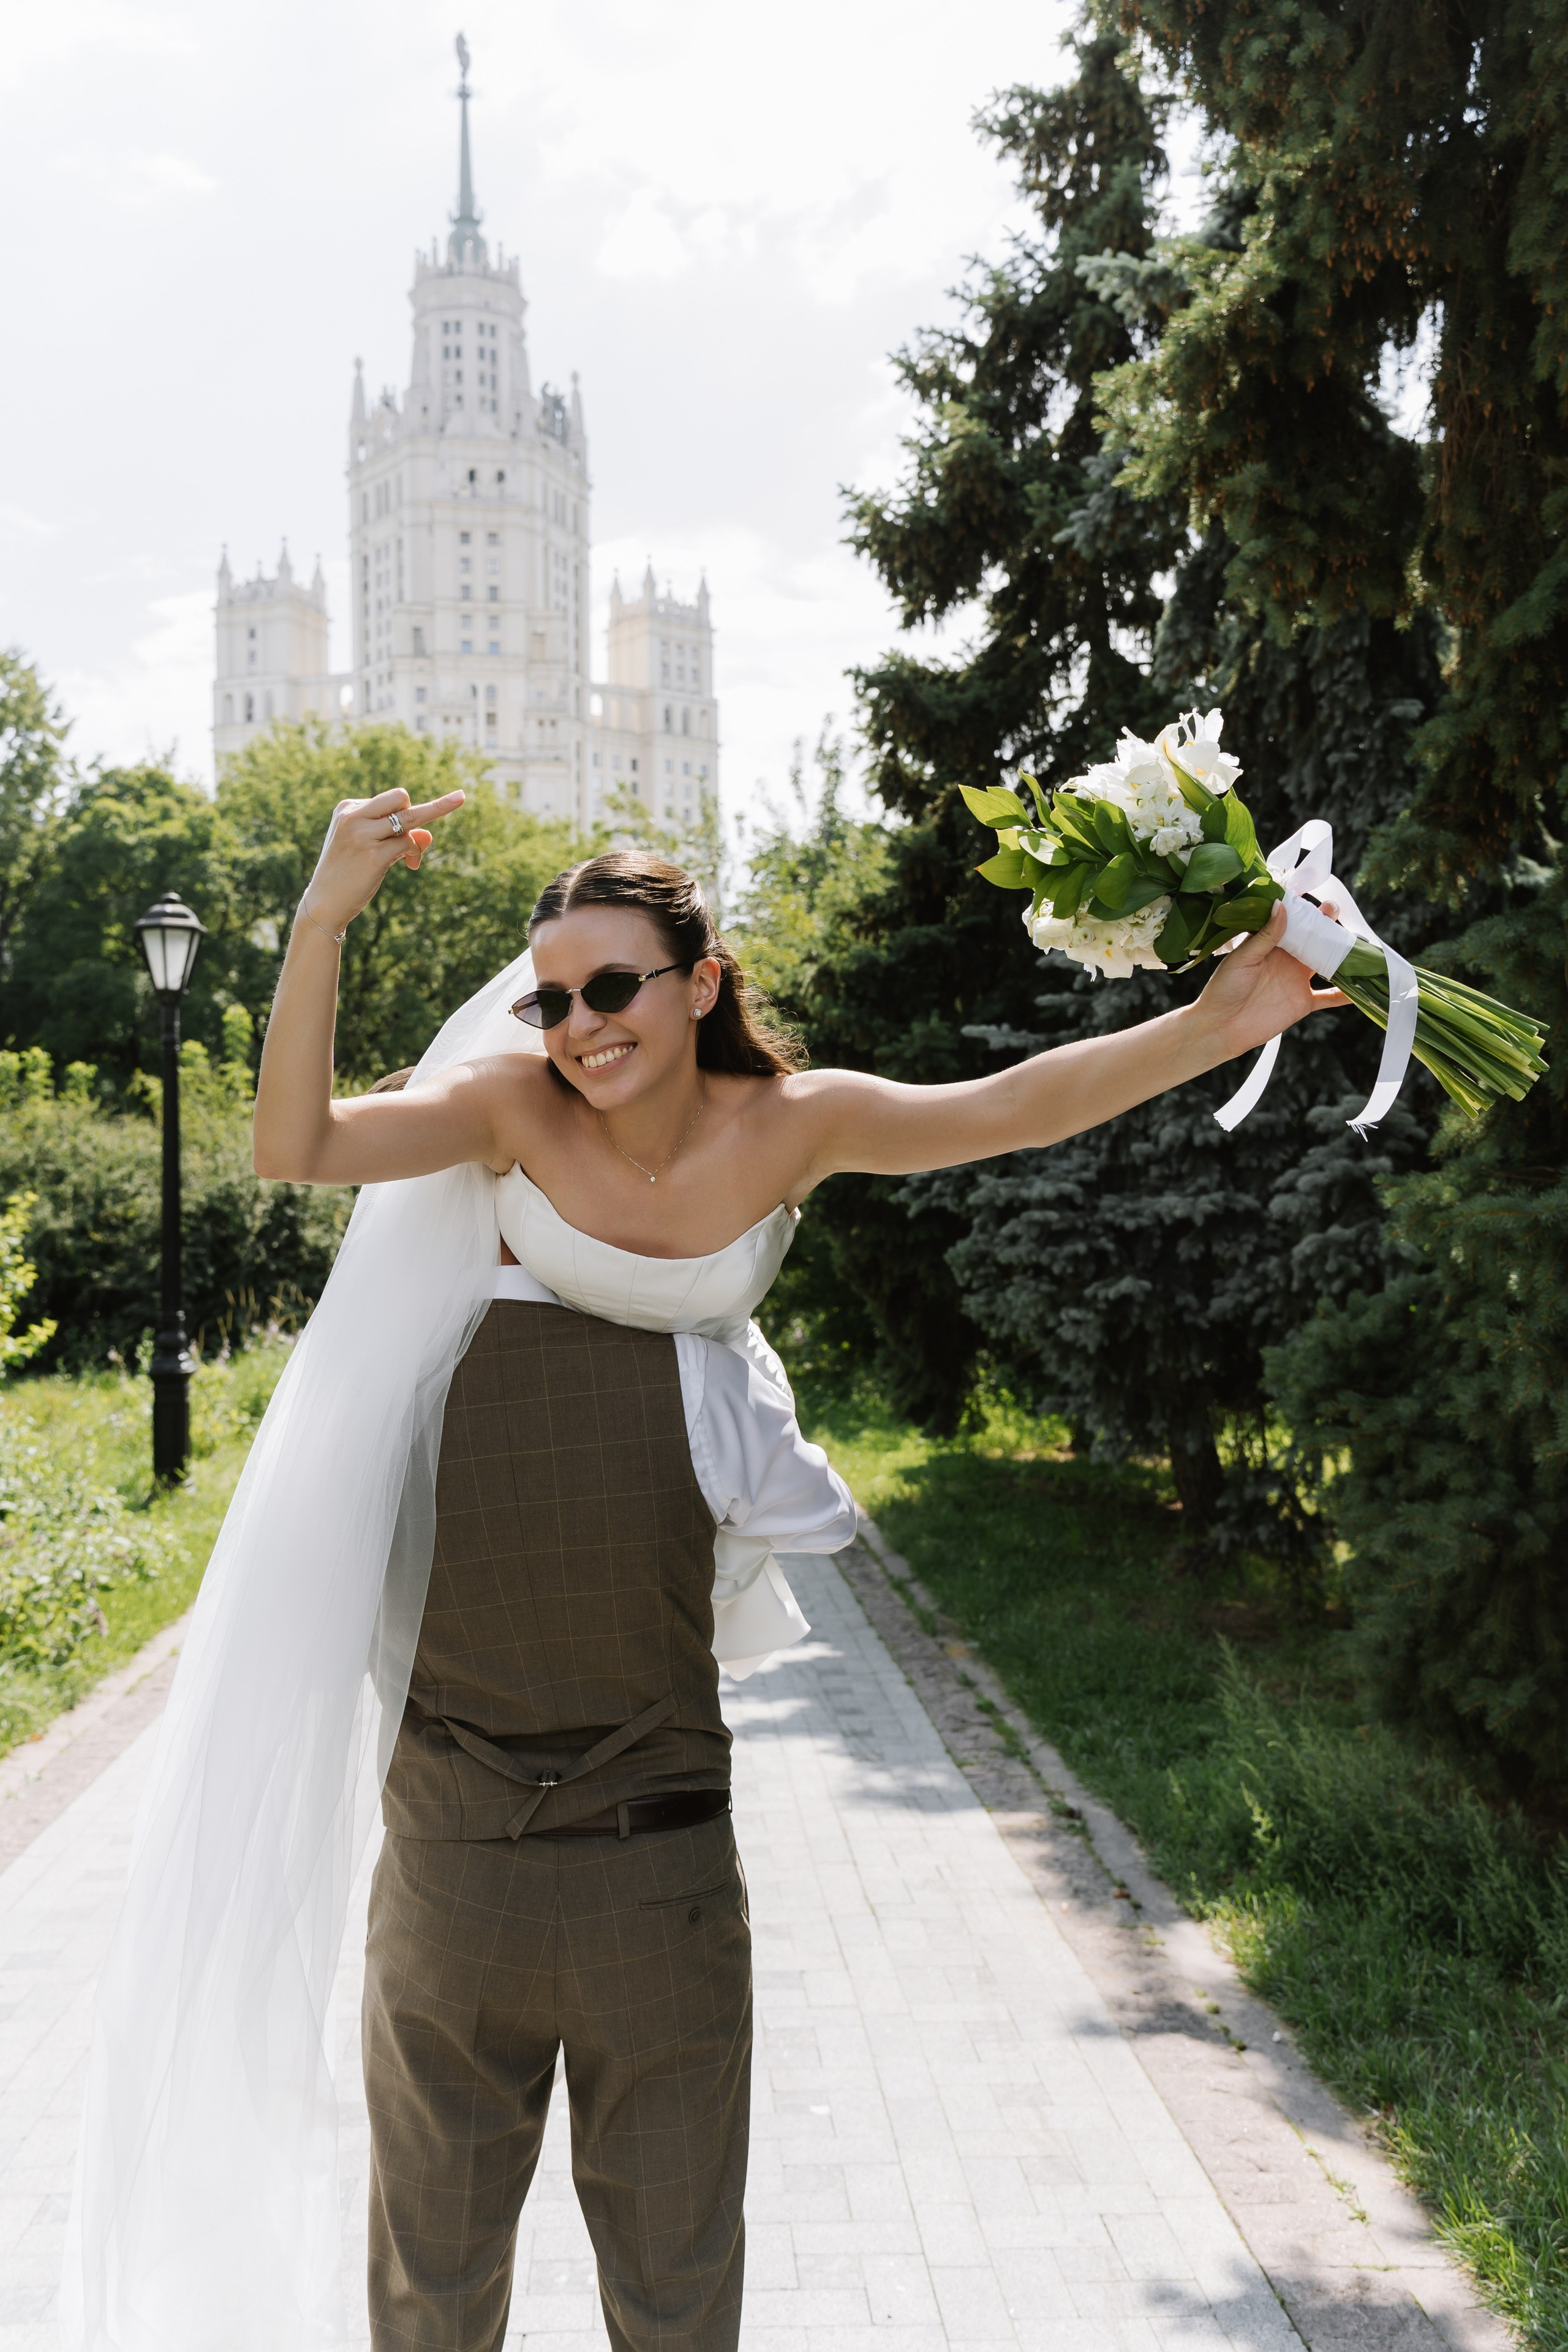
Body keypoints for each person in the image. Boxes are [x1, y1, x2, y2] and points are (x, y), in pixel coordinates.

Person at [66, 778, 1343, 2352]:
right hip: (467, 1792)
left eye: (614, 986)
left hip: (658, 1797)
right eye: (552, 998)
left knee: (677, 2291)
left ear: (702, 984)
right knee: (431, 2285)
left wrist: (1222, 1024)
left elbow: (1012, 1102)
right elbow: (296, 1142)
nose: (581, 1024)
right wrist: (324, 912)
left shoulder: (794, 1125)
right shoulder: (508, 1112)